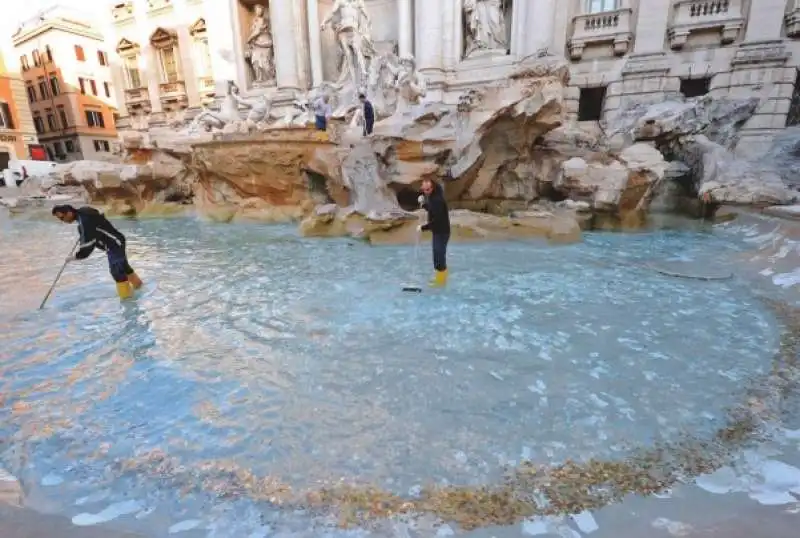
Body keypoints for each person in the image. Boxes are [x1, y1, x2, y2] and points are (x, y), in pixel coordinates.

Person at [51, 204, 143, 300]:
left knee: (116, 271)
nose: (63, 221)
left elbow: (87, 246)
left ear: (69, 213)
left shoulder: (84, 222)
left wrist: (75, 256)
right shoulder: (84, 211)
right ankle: (139, 287)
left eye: (62, 218)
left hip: (114, 243)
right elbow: (95, 214)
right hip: (115, 242)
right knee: (123, 267)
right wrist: (83, 232)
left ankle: (127, 301)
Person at [417, 178, 450, 287]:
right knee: (437, 254)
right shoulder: (433, 197)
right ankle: (440, 279)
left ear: (433, 187)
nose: (426, 191)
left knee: (439, 254)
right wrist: (423, 204)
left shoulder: (437, 200)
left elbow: (437, 220)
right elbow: (431, 209)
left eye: (428, 189)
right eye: (424, 189)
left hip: (442, 231)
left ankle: (441, 282)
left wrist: (423, 227)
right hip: (437, 231)